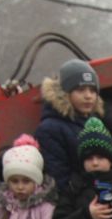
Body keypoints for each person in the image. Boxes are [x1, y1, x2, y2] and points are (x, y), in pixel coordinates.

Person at [35, 58, 103, 188]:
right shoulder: (49, 129)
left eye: (93, 90)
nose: (88, 96)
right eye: (80, 90)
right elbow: (59, 179)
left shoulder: (95, 122)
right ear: (65, 93)